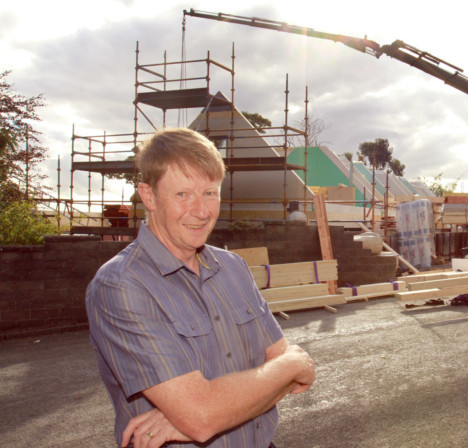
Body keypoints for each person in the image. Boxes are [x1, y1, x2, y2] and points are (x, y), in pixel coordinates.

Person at [86, 128, 315, 448]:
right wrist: (292, 364)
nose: (202, 210)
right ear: (148, 196)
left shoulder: (233, 268)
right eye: (183, 194)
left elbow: (296, 375)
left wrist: (210, 409)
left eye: (210, 192)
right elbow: (202, 416)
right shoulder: (121, 285)